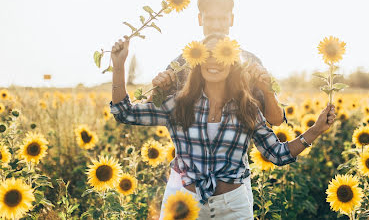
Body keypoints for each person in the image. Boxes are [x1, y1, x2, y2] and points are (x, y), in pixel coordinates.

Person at [109, 35, 336, 219]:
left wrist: (315, 130)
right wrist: (119, 66)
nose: (213, 61)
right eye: (207, 54)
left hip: (234, 209)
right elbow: (124, 112)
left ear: (232, 61)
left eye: (222, 53)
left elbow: (277, 154)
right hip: (185, 207)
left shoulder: (247, 108)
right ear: (197, 62)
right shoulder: (179, 104)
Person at [149, 0, 286, 218]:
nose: (216, 25)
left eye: (222, 18)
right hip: (186, 179)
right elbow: (156, 107)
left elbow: (275, 120)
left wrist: (268, 91)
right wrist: (157, 90)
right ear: (200, 19)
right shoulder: (182, 63)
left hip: (232, 182)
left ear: (231, 20)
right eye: (210, 18)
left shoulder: (249, 62)